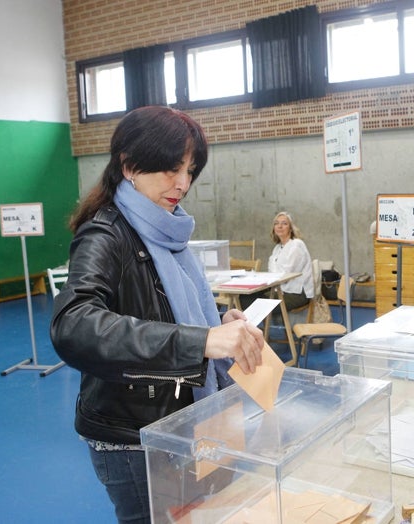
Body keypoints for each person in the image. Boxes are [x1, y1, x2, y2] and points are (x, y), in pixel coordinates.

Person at [50, 105, 264, 524]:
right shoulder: (105, 233)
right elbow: (73, 325)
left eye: (190, 170)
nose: (183, 183)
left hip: (183, 421)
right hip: (134, 438)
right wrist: (199, 341)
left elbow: (159, 302)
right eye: (171, 169)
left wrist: (216, 322)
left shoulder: (165, 227)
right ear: (130, 165)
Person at [239, 211, 314, 312]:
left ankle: (257, 327)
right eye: (276, 223)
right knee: (244, 297)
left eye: (284, 223)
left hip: (297, 293)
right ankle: (256, 327)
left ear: (291, 228)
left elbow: (285, 276)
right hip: (280, 289)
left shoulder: (296, 245)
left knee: (254, 302)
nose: (280, 226)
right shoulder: (277, 248)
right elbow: (273, 273)